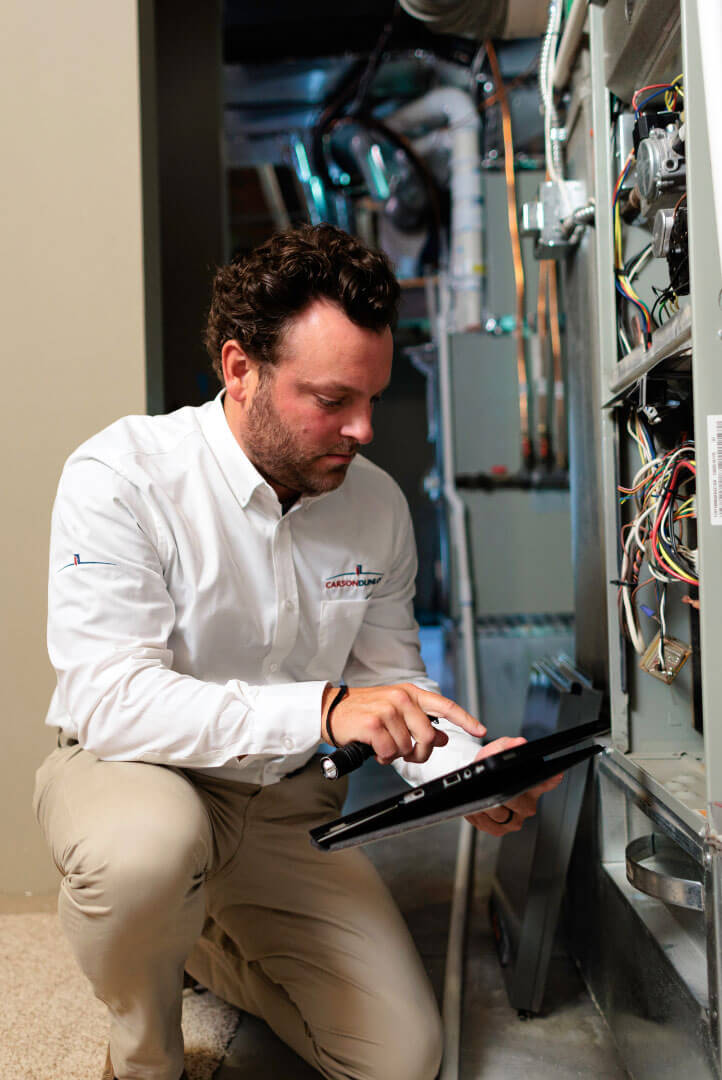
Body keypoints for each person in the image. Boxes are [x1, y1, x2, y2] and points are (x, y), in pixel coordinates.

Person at [34, 224, 560, 1080]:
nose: (361, 429)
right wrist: (320, 708)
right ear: (241, 370)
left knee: (403, 1061)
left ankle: (198, 940)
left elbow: (393, 688)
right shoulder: (121, 476)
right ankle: (146, 1053)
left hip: (286, 807)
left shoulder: (376, 506)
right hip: (141, 778)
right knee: (146, 856)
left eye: (372, 399)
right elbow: (108, 697)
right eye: (331, 399)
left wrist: (467, 771)